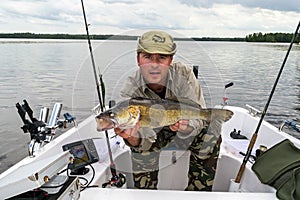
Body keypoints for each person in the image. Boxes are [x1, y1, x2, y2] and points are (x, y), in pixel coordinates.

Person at [114, 30, 222, 191]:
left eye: (162, 57)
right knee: (141, 148)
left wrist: (187, 127)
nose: (154, 64)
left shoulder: (184, 74)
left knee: (212, 128)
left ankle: (198, 193)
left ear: (171, 60)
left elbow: (199, 115)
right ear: (138, 59)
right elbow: (139, 140)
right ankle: (146, 194)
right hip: (151, 135)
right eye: (147, 57)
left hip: (182, 132)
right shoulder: (130, 89)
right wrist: (133, 139)